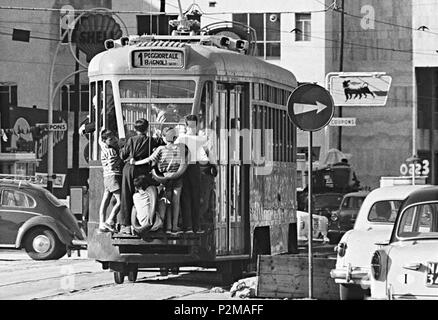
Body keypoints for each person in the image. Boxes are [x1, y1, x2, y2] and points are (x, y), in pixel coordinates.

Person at [132, 127, 188, 235]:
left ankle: (168, 227)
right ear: (175, 137)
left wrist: (135, 163)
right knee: (176, 203)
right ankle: (175, 227)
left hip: (164, 178)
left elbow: (149, 159)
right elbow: (184, 163)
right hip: (177, 178)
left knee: (167, 202)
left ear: (163, 137)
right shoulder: (180, 148)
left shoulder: (161, 149)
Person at [118, 119, 162, 235]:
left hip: (129, 169)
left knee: (126, 195)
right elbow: (161, 144)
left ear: (135, 129)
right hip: (143, 169)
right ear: (147, 129)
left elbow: (123, 155)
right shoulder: (150, 140)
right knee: (144, 195)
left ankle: (126, 225)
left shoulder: (131, 140)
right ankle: (142, 221)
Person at [175, 115, 210, 234]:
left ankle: (188, 226)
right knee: (195, 198)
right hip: (194, 168)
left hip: (183, 169)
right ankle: (196, 227)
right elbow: (204, 160)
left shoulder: (181, 138)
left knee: (185, 198)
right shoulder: (200, 139)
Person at [98, 129, 123, 232]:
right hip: (114, 176)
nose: (114, 141)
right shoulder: (111, 151)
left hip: (107, 177)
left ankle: (101, 223)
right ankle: (110, 220)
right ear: (105, 140)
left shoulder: (103, 148)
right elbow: (113, 164)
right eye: (111, 139)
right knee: (120, 201)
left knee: (105, 201)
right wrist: (121, 159)